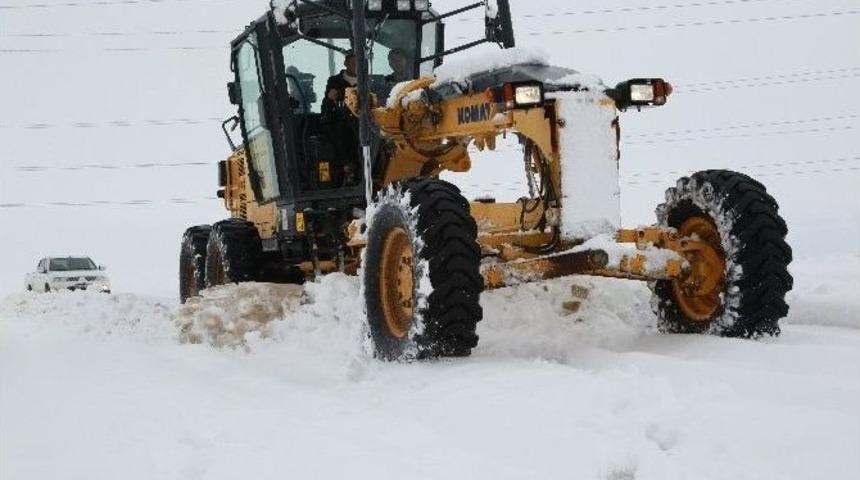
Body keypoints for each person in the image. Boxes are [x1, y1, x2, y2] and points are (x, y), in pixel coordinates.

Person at [322, 51, 357, 117]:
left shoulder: (369, 83)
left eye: (360, 64)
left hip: (364, 125)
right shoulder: (334, 81)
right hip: (340, 123)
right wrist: (330, 98)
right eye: (353, 64)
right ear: (346, 63)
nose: (357, 67)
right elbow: (325, 109)